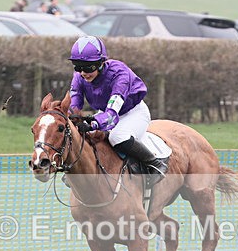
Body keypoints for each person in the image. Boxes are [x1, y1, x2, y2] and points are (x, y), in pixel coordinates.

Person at [68, 36, 168, 187]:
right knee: (81, 137)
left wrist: (93, 124)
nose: (83, 73)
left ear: (101, 63)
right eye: (78, 67)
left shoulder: (119, 73)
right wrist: (74, 120)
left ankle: (155, 164)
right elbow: (74, 105)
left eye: (89, 67)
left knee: (117, 136)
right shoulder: (79, 77)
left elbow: (112, 114)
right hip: (105, 113)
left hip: (133, 113)